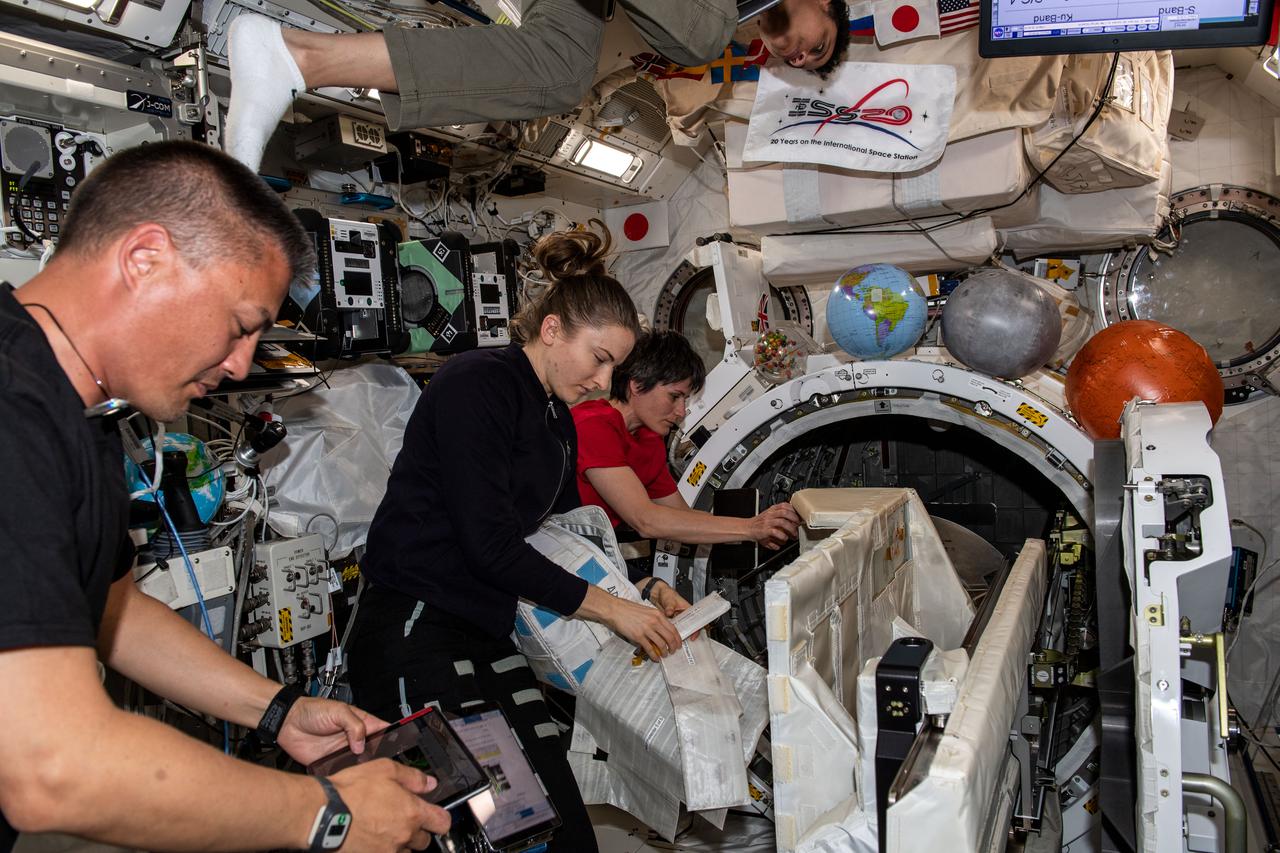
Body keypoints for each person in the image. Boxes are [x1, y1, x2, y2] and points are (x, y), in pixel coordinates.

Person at [0, 141, 449, 853]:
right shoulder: (12, 411)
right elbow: (51, 766)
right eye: (241, 325)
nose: (241, 363)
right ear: (145, 258)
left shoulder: (75, 423)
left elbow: (115, 611)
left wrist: (279, 710)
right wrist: (324, 813)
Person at [346, 229, 683, 853]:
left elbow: (556, 535)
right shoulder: (478, 384)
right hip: (417, 630)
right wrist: (614, 612)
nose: (604, 382)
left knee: (559, 827)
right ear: (552, 330)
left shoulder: (552, 411)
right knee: (484, 835)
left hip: (487, 629)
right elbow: (490, 545)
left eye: (616, 367)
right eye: (599, 359)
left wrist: (642, 589)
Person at [224, 0, 848, 171]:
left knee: (559, 76)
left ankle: (296, 57)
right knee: (706, 34)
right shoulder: (713, 24)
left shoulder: (724, 24)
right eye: (818, 43)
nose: (797, 50)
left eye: (803, 62)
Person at [572, 330, 801, 595]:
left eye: (685, 400)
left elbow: (682, 515)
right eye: (674, 396)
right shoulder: (594, 425)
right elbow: (646, 520)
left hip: (594, 557)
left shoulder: (647, 439)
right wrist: (750, 528)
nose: (681, 412)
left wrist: (760, 526)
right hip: (564, 555)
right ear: (636, 385)